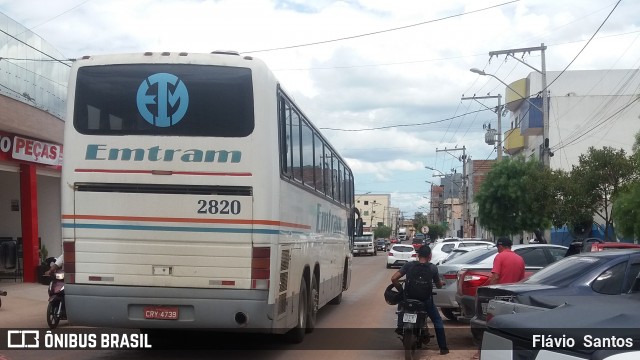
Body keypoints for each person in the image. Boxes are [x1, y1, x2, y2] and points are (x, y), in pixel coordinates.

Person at [471, 237, 525, 359]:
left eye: (497, 247)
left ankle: (481, 352)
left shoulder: (500, 257)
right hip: (513, 297)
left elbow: (495, 277)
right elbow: (521, 281)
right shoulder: (520, 259)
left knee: (488, 323)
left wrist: (485, 290)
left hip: (499, 296)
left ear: (500, 246)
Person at [391, 245, 449, 355]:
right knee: (437, 320)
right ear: (430, 256)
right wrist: (441, 283)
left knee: (401, 304)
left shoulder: (409, 265)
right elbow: (439, 285)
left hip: (409, 298)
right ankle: (443, 348)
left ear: (417, 255)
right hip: (425, 300)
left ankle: (400, 326)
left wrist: (401, 291)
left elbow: (394, 278)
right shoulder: (433, 268)